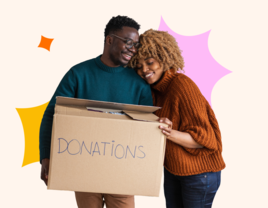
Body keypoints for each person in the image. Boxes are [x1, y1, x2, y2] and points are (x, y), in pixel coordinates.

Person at [39, 16, 153, 208]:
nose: (133, 49)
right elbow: (52, 114)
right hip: (84, 169)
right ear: (110, 40)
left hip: (123, 173)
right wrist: (46, 156)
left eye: (136, 44)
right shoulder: (78, 74)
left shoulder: (139, 83)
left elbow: (147, 128)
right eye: (128, 42)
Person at [128, 29, 226, 208]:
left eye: (149, 62)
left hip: (199, 173)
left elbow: (205, 139)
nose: (144, 70)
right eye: (138, 66)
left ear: (164, 58)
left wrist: (168, 132)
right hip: (175, 170)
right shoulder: (154, 91)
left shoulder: (181, 86)